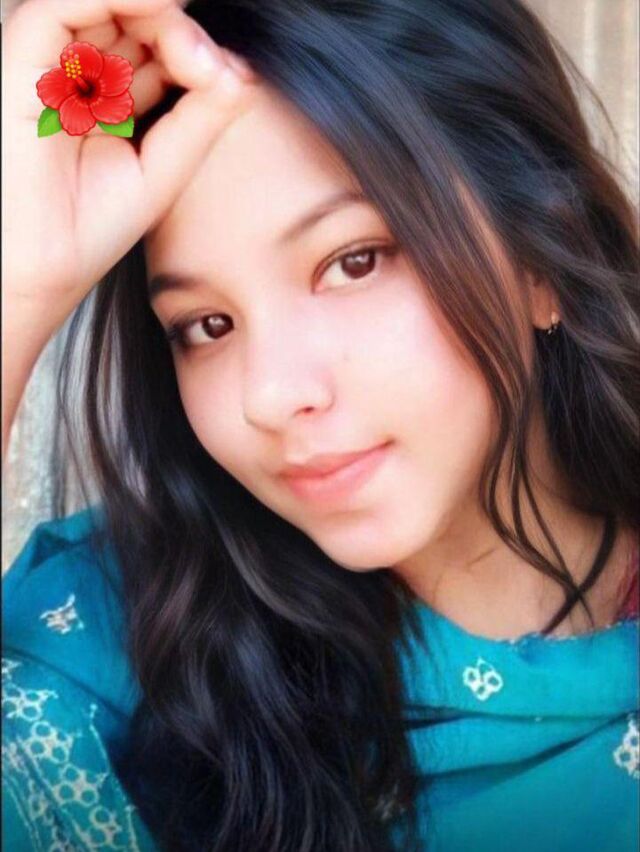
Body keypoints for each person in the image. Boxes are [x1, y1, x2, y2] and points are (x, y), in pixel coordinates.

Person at [2, 0, 638, 849]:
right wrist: (12, 294)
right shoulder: (109, 646)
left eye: (353, 262)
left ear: (541, 260)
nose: (268, 395)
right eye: (206, 326)